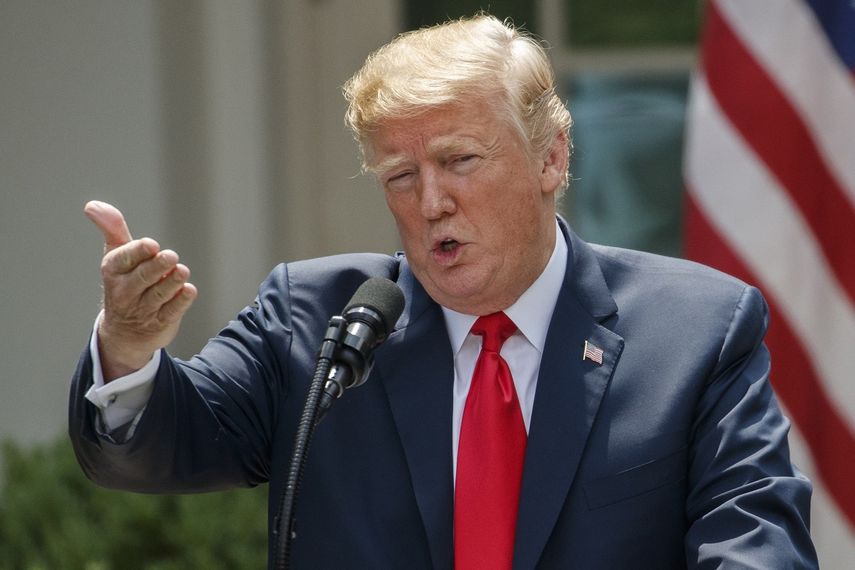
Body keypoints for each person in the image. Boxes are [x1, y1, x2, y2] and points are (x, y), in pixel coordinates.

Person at [69, 14, 818, 569]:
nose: (430, 203)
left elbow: (755, 543)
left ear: (550, 157)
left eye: (459, 160)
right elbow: (158, 448)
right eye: (400, 176)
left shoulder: (695, 332)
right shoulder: (319, 317)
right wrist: (129, 346)